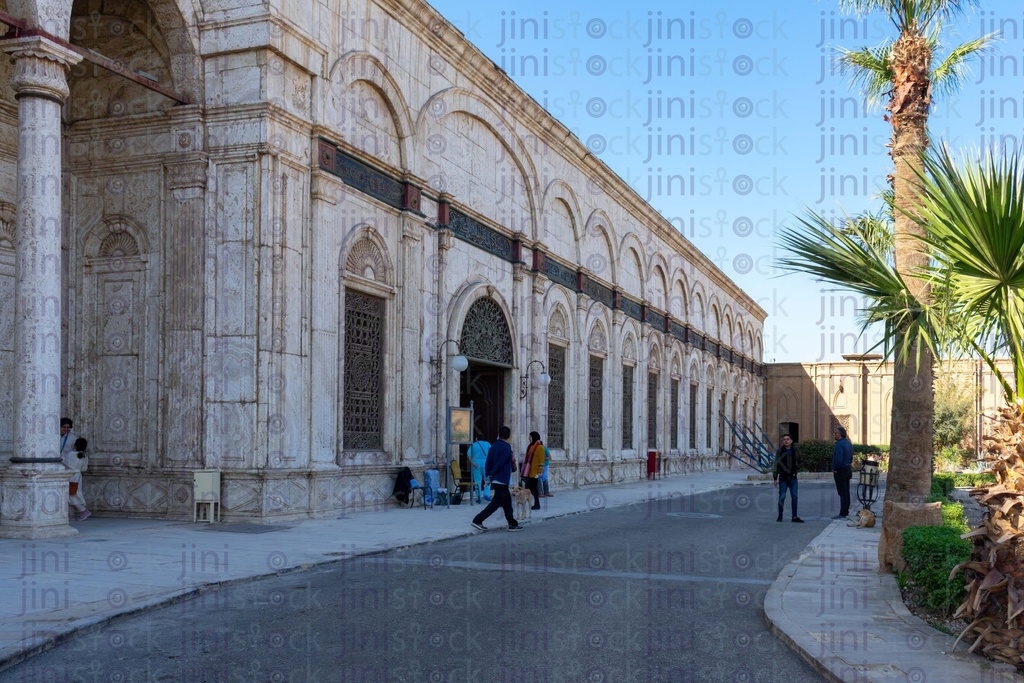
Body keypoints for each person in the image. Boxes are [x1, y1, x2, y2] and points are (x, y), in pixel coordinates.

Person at [471, 426, 522, 532]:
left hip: (496, 478)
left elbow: (488, 462)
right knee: (496, 503)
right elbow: (501, 463)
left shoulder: (493, 446)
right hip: (502, 478)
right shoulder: (506, 447)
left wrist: (489, 474)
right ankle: (477, 520)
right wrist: (492, 474)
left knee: (507, 502)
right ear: (508, 436)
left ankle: (512, 523)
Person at [771, 434, 803, 523]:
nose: (786, 441)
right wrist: (775, 477)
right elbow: (776, 464)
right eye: (784, 439)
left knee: (794, 497)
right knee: (782, 497)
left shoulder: (795, 450)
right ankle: (780, 516)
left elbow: (800, 461)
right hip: (783, 478)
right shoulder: (780, 451)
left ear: (791, 441)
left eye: (788, 439)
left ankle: (794, 516)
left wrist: (797, 468)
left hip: (793, 477)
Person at [832, 426, 854, 519]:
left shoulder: (839, 444)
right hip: (847, 469)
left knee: (842, 492)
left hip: (841, 471)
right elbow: (851, 457)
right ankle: (846, 511)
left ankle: (843, 513)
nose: (834, 434)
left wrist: (835, 468)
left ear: (839, 434)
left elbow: (838, 459)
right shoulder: (848, 443)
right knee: (846, 492)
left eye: (835, 433)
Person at [520, 431, 546, 510]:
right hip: (529, 472)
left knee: (534, 489)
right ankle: (528, 503)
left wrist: (540, 472)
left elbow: (542, 460)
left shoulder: (540, 447)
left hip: (535, 473)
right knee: (529, 488)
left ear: (534, 437)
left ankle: (537, 504)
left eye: (530, 437)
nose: (529, 438)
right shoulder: (530, 446)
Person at [68, 437, 91, 521]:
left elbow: (67, 464)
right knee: (73, 494)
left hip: (70, 476)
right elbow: (84, 469)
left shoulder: (71, 454)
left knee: (70, 495)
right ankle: (71, 515)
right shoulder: (84, 455)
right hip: (78, 476)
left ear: (75, 445)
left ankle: (83, 510)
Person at [468, 439, 492, 503]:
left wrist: (473, 463)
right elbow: (492, 453)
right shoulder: (487, 443)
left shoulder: (473, 444)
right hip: (486, 463)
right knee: (487, 479)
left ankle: (478, 496)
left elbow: (469, 455)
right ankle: (486, 494)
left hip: (476, 463)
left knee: (477, 480)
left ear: (476, 438)